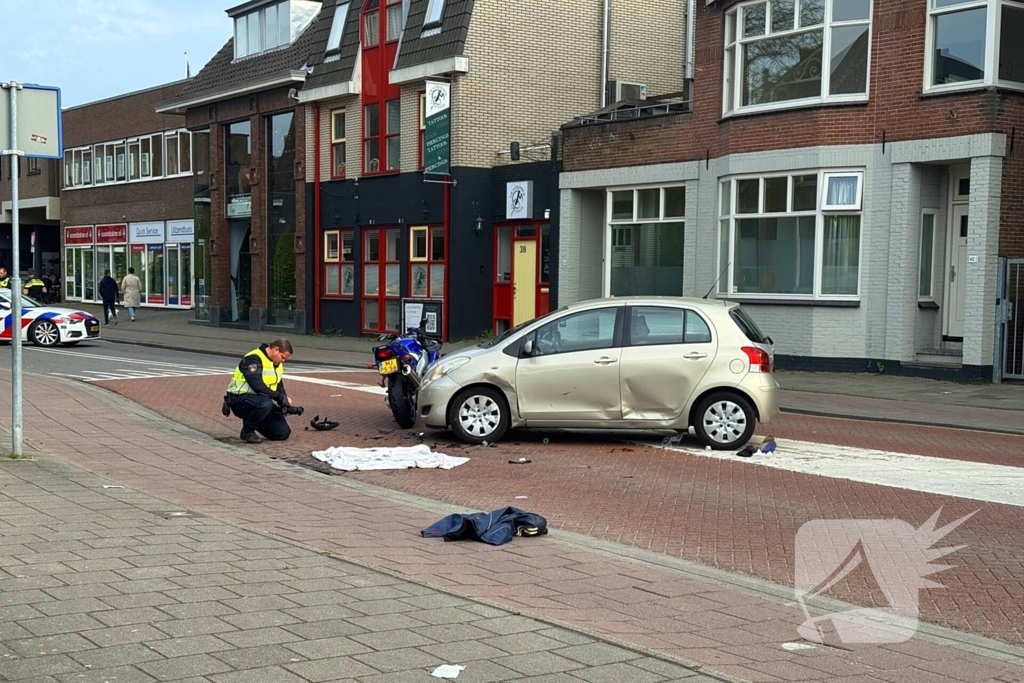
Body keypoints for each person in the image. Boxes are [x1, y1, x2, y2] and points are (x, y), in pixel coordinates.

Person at [224, 339, 297, 444]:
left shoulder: (276, 363)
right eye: (282, 357)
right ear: (276, 350)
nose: (283, 361)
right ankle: (247, 432)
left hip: (261, 401)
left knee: (282, 433)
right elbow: (257, 386)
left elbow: (278, 384)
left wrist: (284, 400)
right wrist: (279, 397)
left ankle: (255, 419)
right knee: (265, 404)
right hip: (240, 400)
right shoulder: (253, 359)